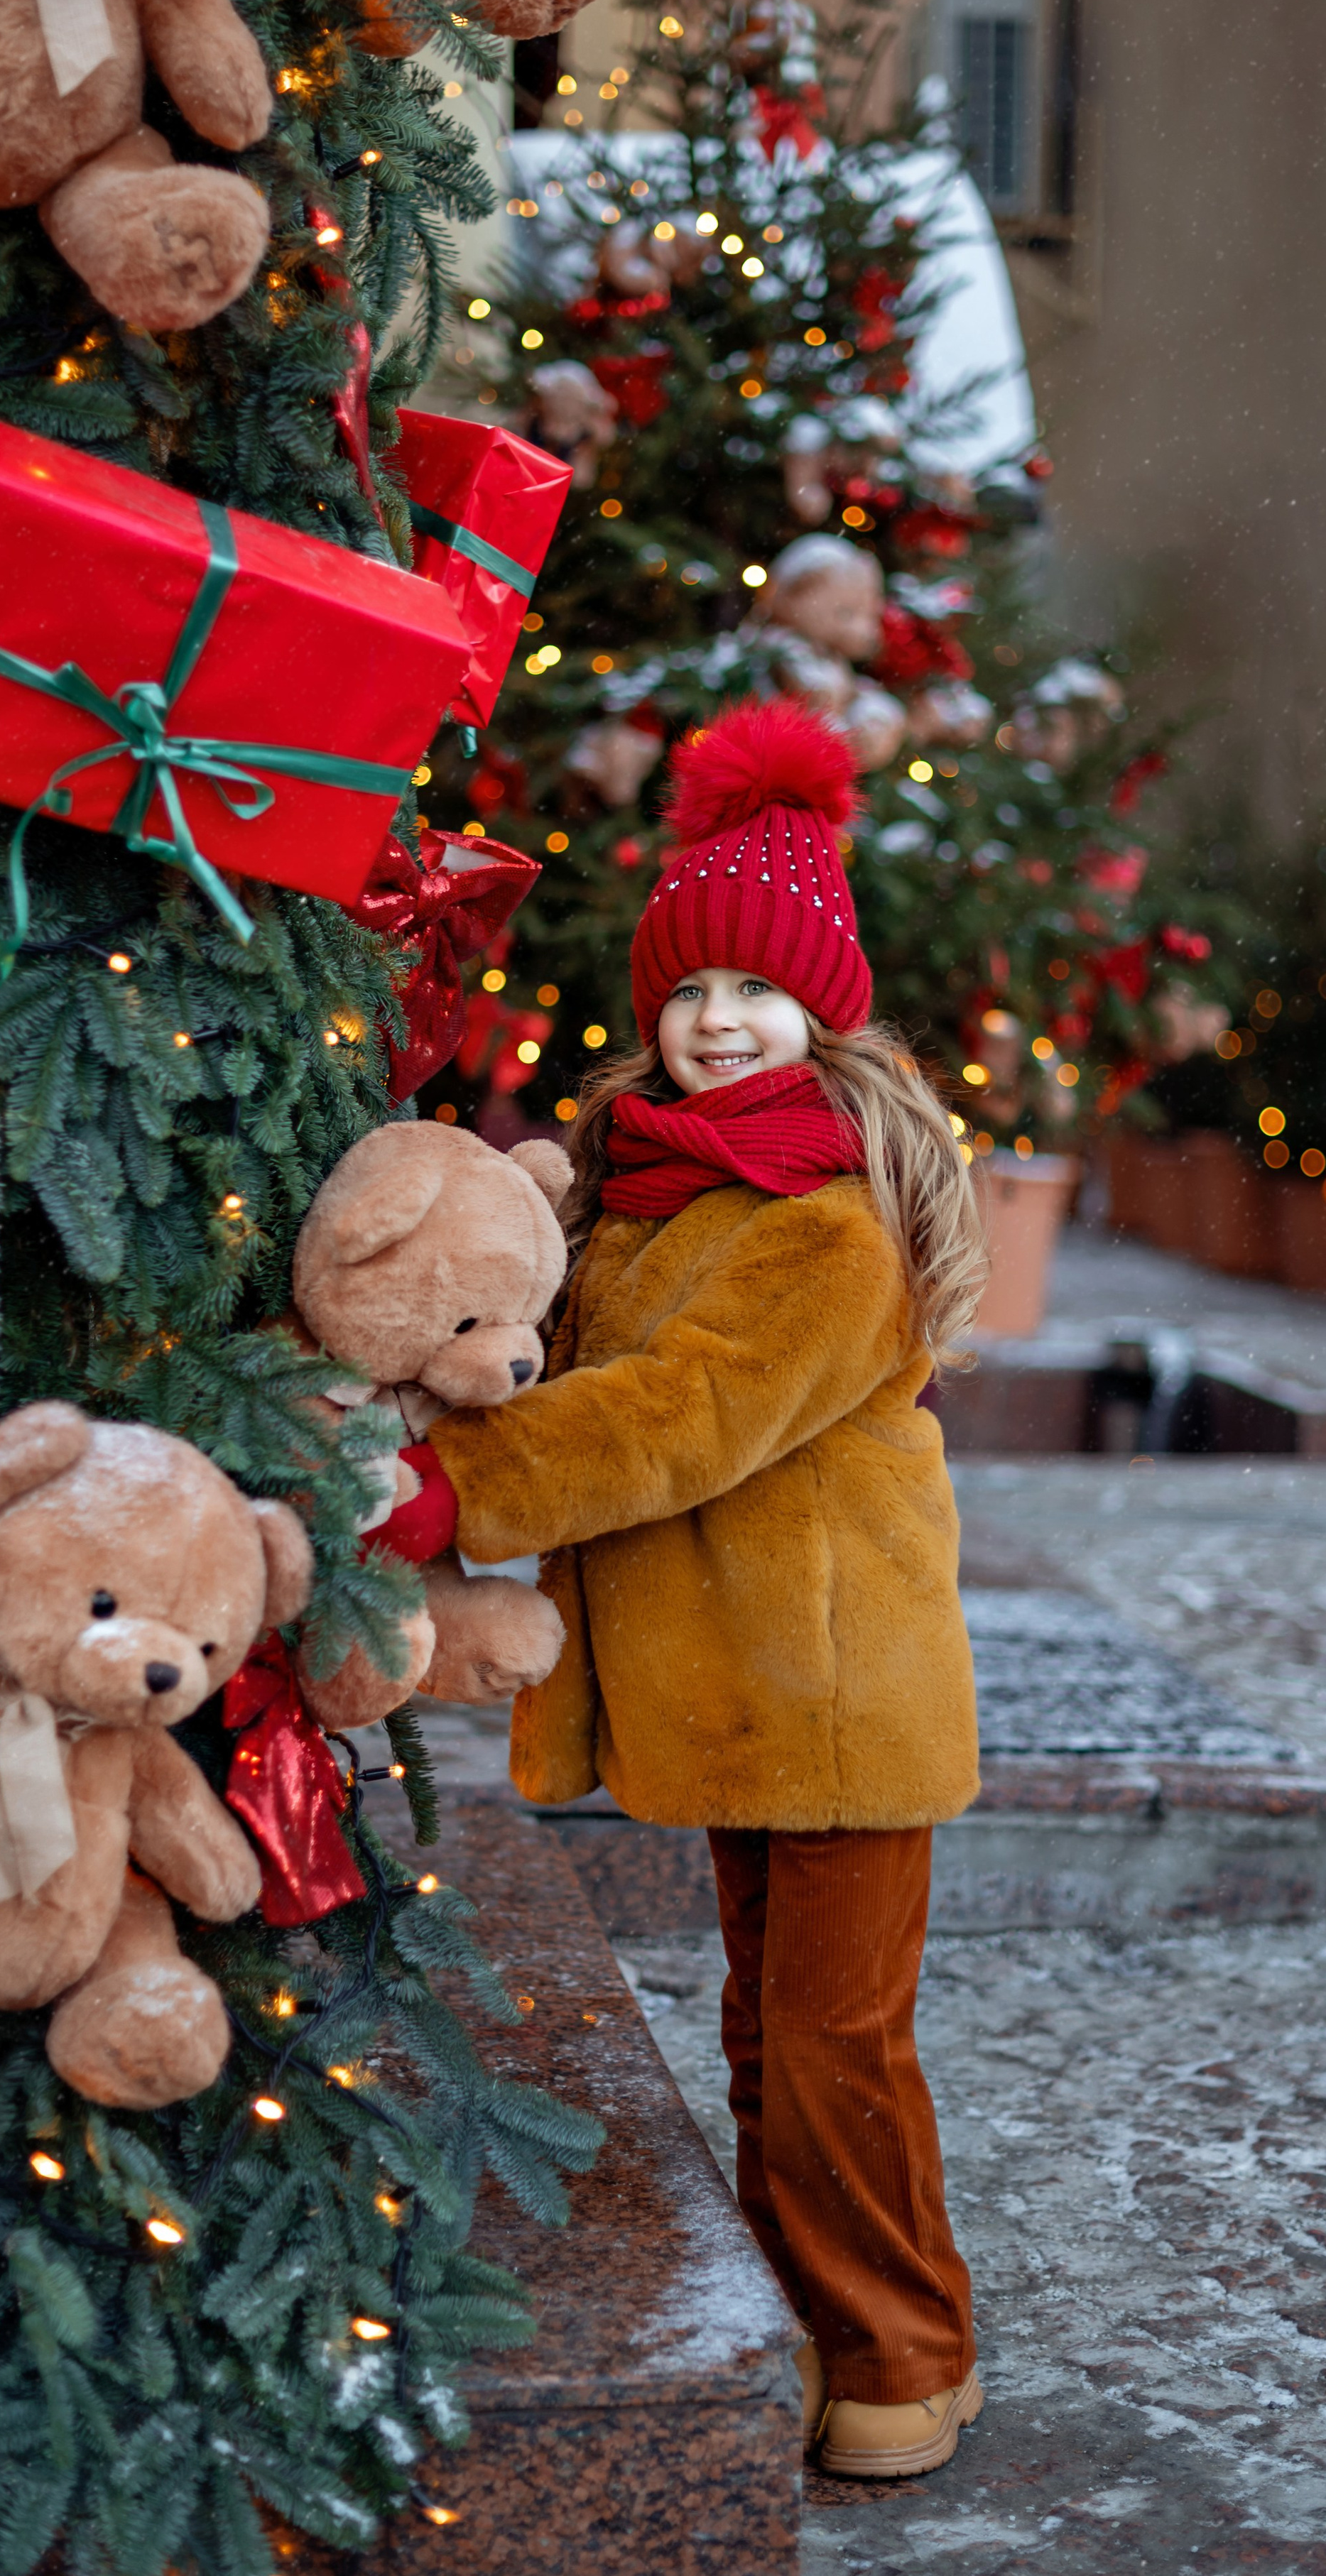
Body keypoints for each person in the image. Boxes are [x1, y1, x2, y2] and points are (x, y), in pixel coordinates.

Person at [414, 695, 986, 2478]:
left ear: (820, 1007)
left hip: (830, 1700)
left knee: (833, 2052)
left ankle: (900, 2348)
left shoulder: (826, 1216)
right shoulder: (651, 1194)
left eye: (750, 992)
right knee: (765, 2033)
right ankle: (826, 2329)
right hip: (741, 1699)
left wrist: (441, 1492)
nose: (715, 1021)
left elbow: (676, 1417)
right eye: (684, 995)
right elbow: (557, 1347)